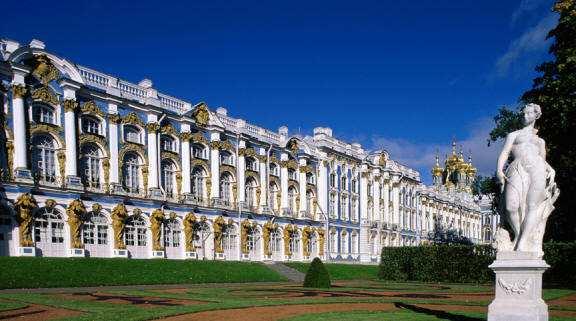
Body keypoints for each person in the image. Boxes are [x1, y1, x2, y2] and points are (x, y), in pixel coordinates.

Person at [496, 103, 558, 254]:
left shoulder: (540, 141)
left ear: (536, 115)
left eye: (529, 113)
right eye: (524, 113)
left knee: (532, 206)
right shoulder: (514, 135)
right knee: (511, 206)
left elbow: (542, 160)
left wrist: (551, 170)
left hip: (537, 169)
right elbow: (505, 153)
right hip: (517, 167)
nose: (525, 116)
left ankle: (523, 242)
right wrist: (499, 170)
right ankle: (518, 235)